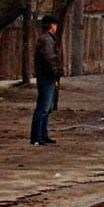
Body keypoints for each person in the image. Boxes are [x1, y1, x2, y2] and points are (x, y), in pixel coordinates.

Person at [31, 14, 64, 145]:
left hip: (47, 75)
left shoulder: (47, 39)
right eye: (55, 25)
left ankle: (42, 134)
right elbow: (50, 59)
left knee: (47, 107)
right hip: (47, 76)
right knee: (43, 107)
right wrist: (56, 72)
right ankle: (37, 136)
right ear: (52, 25)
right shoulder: (46, 40)